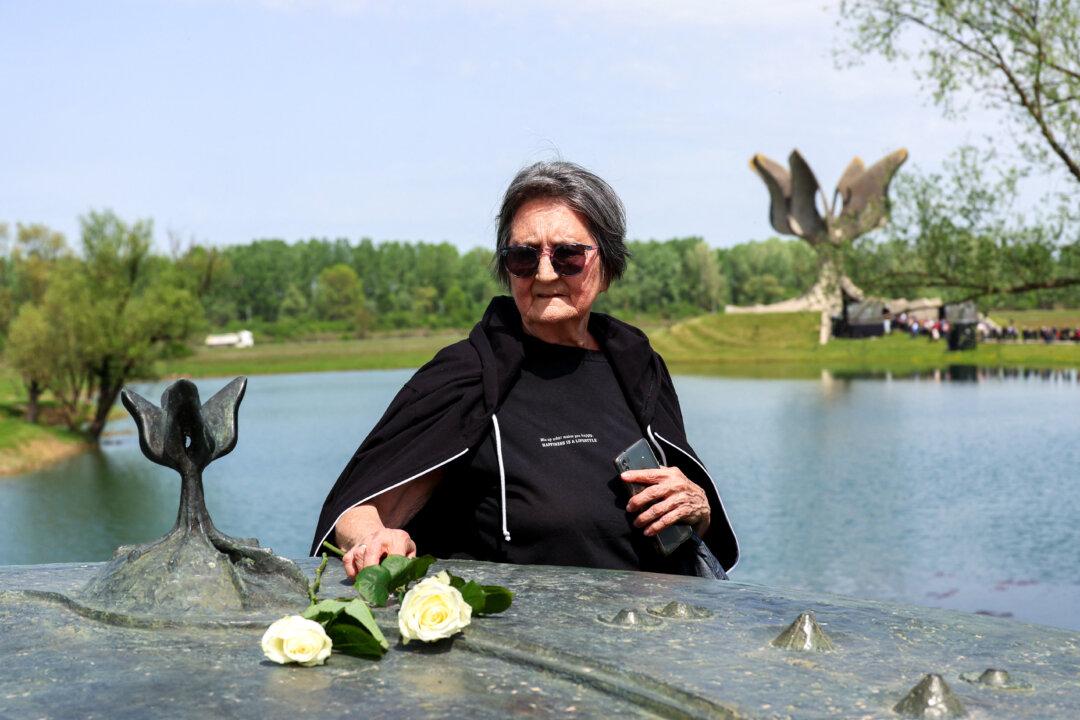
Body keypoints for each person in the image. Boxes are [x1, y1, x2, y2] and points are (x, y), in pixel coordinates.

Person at [309, 161, 738, 580]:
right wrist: (374, 541)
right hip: (519, 642)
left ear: (606, 266)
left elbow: (684, 536)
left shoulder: (638, 365)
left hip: (646, 639)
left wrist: (696, 510)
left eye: (568, 255)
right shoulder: (466, 376)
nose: (545, 271)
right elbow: (359, 509)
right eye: (523, 256)